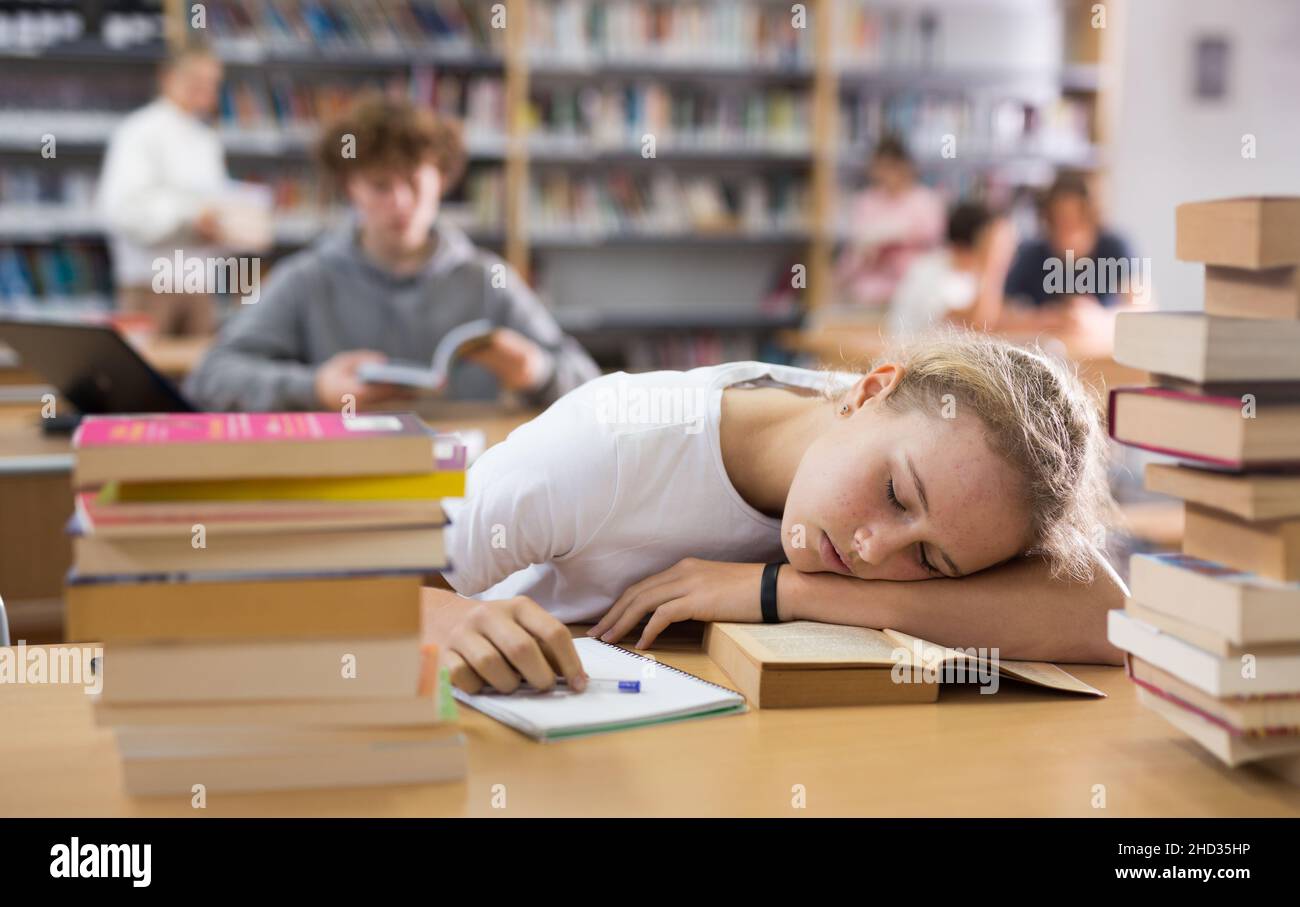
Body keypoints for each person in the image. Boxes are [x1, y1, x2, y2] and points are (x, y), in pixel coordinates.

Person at [425, 330, 1127, 695]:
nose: (872, 551)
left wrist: (780, 590)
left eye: (931, 562)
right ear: (869, 389)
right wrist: (469, 622)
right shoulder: (608, 442)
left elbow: (1103, 617)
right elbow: (357, 584)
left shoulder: (934, 466)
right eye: (895, 494)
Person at [185, 94, 599, 411]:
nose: (401, 202)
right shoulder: (307, 278)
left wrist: (537, 373)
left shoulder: (487, 279)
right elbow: (210, 377)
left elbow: (592, 386)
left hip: (471, 481)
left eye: (415, 183)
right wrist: (315, 387)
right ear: (351, 187)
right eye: (381, 185)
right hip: (347, 478)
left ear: (442, 182)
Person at [96, 44, 228, 336]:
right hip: (151, 283)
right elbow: (124, 210)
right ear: (168, 78)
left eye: (212, 82)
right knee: (143, 376)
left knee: (197, 375)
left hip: (199, 283)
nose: (205, 89)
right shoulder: (139, 132)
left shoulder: (206, 139)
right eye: (197, 80)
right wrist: (190, 220)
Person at [1002, 175, 1140, 350]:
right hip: (1048, 352)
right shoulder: (1032, 253)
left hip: (1100, 353)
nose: (1068, 227)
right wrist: (1042, 319)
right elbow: (1000, 313)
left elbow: (1144, 311)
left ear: (1091, 217)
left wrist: (1100, 319)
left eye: (1076, 219)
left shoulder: (1115, 246)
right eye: (1059, 220)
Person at [834, 135, 946, 308]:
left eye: (891, 167)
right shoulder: (865, 202)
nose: (886, 174)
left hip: (912, 292)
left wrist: (902, 239)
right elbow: (853, 254)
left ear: (905, 166)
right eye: (880, 168)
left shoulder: (926, 202)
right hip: (869, 293)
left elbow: (935, 247)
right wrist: (862, 257)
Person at [887, 201, 1016, 336]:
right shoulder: (930, 272)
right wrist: (993, 269)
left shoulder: (970, 275)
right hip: (916, 354)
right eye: (1001, 243)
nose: (1010, 251)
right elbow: (978, 325)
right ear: (980, 242)